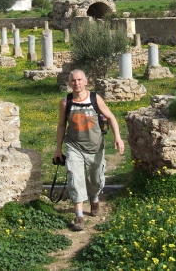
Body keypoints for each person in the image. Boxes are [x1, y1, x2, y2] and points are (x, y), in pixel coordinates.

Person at [54, 69, 125, 231]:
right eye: (73, 80)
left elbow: (111, 117)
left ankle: (94, 198)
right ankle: (79, 216)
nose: (76, 83)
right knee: (75, 177)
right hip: (74, 146)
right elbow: (60, 125)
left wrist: (118, 137)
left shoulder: (95, 98)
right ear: (69, 82)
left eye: (79, 80)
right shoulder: (65, 102)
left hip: (95, 146)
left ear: (86, 81)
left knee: (96, 179)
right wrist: (58, 149)